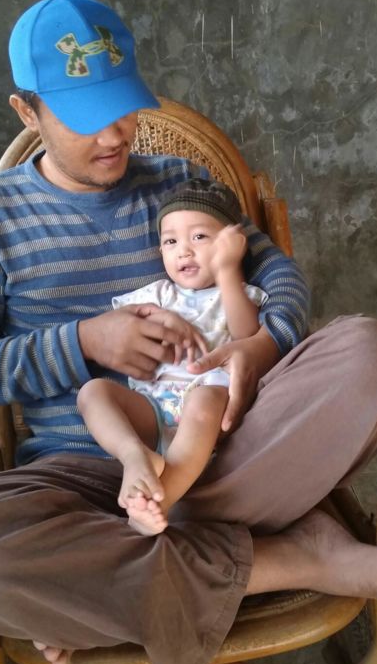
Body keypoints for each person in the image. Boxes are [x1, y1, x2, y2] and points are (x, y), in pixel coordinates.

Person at [0, 0, 377, 664]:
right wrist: (84, 342)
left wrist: (262, 346)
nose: (115, 135)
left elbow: (275, 275)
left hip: (223, 459)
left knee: (372, 352)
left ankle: (97, 587)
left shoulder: (180, 183)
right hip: (78, 484)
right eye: (84, 118)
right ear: (27, 111)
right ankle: (293, 556)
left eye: (123, 108)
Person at [78, 178, 268, 536]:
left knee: (206, 398)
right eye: (171, 241)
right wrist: (157, 318)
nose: (184, 251)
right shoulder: (157, 295)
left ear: (231, 243)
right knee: (93, 393)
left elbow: (247, 334)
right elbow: (122, 327)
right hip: (151, 408)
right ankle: (135, 456)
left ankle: (160, 500)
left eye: (199, 237)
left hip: (206, 416)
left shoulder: (237, 293)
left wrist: (228, 271)